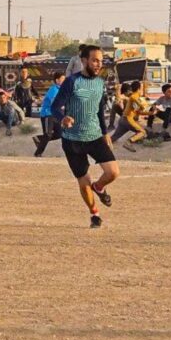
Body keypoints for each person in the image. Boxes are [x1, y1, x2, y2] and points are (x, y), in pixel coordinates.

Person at [51, 45, 120, 229]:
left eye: (101, 60)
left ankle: (99, 187)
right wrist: (63, 118)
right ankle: (95, 213)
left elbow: (99, 110)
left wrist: (105, 133)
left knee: (113, 172)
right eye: (95, 60)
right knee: (83, 183)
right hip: (72, 140)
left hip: (95, 136)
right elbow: (55, 107)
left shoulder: (99, 83)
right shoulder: (71, 82)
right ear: (84, 61)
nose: (99, 64)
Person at [33, 72, 65, 157]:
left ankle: (39, 139)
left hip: (57, 115)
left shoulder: (62, 90)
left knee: (60, 134)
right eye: (63, 79)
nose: (64, 81)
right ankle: (38, 153)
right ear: (57, 80)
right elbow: (54, 103)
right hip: (48, 114)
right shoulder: (54, 89)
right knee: (48, 134)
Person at [111, 80, 149, 152]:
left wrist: (150, 113)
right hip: (128, 119)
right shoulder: (135, 97)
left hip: (123, 119)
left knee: (114, 137)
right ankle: (129, 142)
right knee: (142, 132)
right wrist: (147, 108)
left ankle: (99, 145)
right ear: (139, 89)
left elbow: (138, 111)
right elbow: (142, 109)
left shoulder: (132, 97)